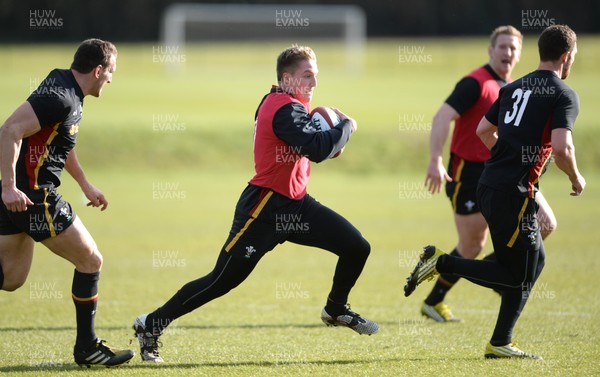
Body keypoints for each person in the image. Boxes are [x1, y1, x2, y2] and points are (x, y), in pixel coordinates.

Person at [133, 45, 378, 363]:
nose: (314, 83)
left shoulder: (281, 102)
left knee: (357, 247)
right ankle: (150, 325)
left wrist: (329, 140)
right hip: (264, 209)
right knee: (220, 281)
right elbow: (317, 150)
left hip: (297, 205)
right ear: (286, 78)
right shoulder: (284, 108)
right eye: (307, 76)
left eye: (315, 76)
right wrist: (346, 127)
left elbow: (312, 148)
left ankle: (335, 309)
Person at [406, 24, 585, 359]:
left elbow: (483, 130)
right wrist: (576, 179)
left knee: (532, 262)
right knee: (512, 269)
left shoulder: (514, 87)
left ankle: (500, 338)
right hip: (509, 191)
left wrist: (507, 157)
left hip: (492, 183)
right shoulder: (562, 93)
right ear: (567, 56)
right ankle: (446, 265)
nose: (507, 53)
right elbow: (563, 149)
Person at [0, 38, 134, 367]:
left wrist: (85, 184)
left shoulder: (68, 89)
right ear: (98, 70)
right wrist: (8, 187)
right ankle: (87, 347)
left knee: (11, 278)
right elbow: (9, 130)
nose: (111, 79)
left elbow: (59, 140)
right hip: (33, 195)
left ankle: (87, 347)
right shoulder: (60, 97)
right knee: (91, 260)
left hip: (21, 196)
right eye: (111, 72)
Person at [422, 25, 558, 322]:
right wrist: (435, 159)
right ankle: (435, 300)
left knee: (546, 223)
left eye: (513, 48)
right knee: (472, 245)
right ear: (490, 50)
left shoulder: (515, 88)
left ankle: (502, 275)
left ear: (520, 54)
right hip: (469, 174)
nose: (508, 52)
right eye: (503, 46)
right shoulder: (475, 83)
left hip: (508, 174)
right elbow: (442, 116)